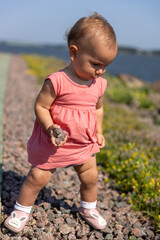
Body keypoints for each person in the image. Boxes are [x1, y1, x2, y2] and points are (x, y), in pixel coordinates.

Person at [4, 12, 118, 233]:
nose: (100, 71)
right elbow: (41, 106)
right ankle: (21, 209)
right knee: (38, 176)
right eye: (95, 64)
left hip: (84, 141)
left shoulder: (99, 84)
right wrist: (50, 127)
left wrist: (99, 131)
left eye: (106, 66)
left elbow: (98, 108)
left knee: (90, 176)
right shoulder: (57, 81)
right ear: (74, 53)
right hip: (55, 140)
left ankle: (88, 208)